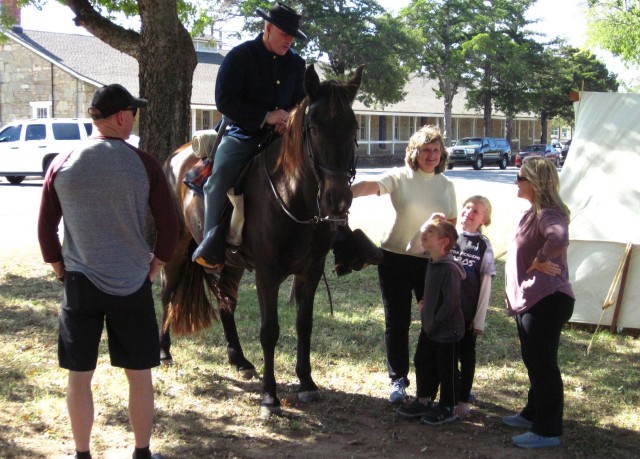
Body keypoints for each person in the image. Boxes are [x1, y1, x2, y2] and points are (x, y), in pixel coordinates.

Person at [37, 83, 179, 459]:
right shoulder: (143, 163)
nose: (134, 119)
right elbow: (170, 226)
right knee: (139, 375)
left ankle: (81, 454)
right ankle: (142, 452)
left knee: (79, 376)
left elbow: (45, 229)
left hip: (80, 283)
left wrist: (60, 271)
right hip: (132, 283)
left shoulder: (62, 161)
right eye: (133, 113)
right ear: (120, 117)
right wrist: (154, 267)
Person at [192, 2, 307, 270]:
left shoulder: (297, 64)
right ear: (267, 28)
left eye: (292, 35)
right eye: (284, 33)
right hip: (243, 133)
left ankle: (336, 236)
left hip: (283, 137)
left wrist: (289, 118)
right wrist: (266, 116)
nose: (289, 39)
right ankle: (211, 244)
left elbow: (301, 102)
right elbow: (225, 100)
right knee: (219, 177)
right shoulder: (240, 56)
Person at [351, 125, 457, 403]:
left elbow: (452, 225)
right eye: (426, 150)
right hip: (394, 259)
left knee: (431, 322)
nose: (431, 155)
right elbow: (369, 187)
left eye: (436, 150)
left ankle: (431, 378)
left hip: (430, 264)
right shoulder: (400, 177)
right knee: (396, 322)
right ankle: (398, 380)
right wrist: (342, 193)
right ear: (415, 152)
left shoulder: (447, 186)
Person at [503, 156, 575, 449]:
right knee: (534, 361)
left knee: (544, 365)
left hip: (546, 299)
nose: (516, 182)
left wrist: (541, 259)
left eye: (520, 177)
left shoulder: (548, 213)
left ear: (534, 181)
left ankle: (547, 430)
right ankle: (533, 412)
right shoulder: (532, 212)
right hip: (533, 299)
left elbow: (558, 237)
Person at [397, 218, 465, 425]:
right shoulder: (432, 262)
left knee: (446, 368)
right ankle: (424, 399)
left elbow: (451, 302)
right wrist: (427, 303)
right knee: (422, 361)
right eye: (423, 230)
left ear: (444, 242)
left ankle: (448, 406)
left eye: (430, 232)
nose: (423, 235)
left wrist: (434, 320)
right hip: (430, 328)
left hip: (446, 330)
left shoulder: (449, 268)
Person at [450, 196, 495, 418]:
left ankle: (463, 399)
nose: (469, 212)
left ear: (484, 219)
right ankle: (450, 393)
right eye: (467, 207)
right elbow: (418, 248)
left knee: (466, 356)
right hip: (445, 312)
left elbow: (486, 283)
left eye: (476, 211)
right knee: (448, 354)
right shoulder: (448, 236)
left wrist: (479, 319)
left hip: (467, 313)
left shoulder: (483, 245)